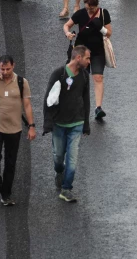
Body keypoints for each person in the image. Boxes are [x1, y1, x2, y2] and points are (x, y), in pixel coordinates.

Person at [0, 55, 35, 206]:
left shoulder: (21, 82)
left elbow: (27, 105)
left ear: (14, 66)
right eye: (2, 69)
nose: (5, 72)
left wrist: (31, 126)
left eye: (8, 69)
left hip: (14, 129)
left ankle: (6, 193)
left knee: (10, 163)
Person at [43, 45, 91, 202]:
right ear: (78, 58)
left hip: (76, 123)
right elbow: (48, 99)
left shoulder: (84, 75)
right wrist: (47, 123)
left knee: (72, 159)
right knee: (58, 157)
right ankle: (59, 172)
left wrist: (86, 123)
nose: (89, 61)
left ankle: (66, 189)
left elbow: (86, 99)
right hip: (59, 124)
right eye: (87, 58)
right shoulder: (58, 74)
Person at [63, 0, 112, 119]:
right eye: (88, 8)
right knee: (80, 79)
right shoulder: (80, 13)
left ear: (97, 5)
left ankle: (98, 108)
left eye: (92, 8)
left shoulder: (103, 13)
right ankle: (77, 105)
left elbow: (109, 33)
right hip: (82, 52)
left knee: (98, 77)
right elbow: (67, 25)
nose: (89, 10)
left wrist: (100, 28)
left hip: (97, 52)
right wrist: (68, 33)